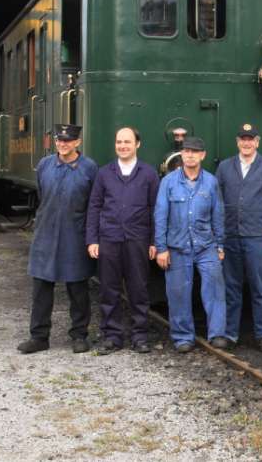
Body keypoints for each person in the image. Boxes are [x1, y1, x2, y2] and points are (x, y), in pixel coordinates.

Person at [18, 124, 99, 354]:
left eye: (68, 140)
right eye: (59, 140)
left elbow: (93, 204)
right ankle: (39, 337)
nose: (63, 144)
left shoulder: (89, 168)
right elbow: (43, 196)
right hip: (46, 232)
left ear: (77, 143)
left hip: (75, 233)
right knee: (41, 288)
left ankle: (79, 335)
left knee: (77, 287)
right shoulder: (44, 165)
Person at [85, 126, 160, 355]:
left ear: (137, 144)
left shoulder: (148, 174)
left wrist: (155, 241)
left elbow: (156, 209)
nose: (123, 146)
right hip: (109, 238)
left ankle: (140, 336)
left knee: (139, 290)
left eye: (127, 142)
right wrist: (92, 239)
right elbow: (94, 206)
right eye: (119, 142)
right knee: (109, 290)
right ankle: (112, 336)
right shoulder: (104, 173)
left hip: (138, 239)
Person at [215, 124, 262, 352]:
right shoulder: (225, 167)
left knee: (260, 287)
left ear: (257, 142)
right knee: (231, 287)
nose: (247, 143)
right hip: (230, 235)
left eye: (251, 139)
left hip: (257, 235)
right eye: (243, 139)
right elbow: (217, 202)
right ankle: (230, 334)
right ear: (237, 142)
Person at [153, 136, 227, 352]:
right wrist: (161, 248)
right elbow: (160, 216)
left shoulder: (211, 182)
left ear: (202, 155)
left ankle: (217, 334)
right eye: (187, 151)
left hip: (206, 246)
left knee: (215, 289)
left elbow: (218, 215)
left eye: (195, 151)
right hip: (177, 247)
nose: (190, 155)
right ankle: (183, 336)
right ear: (181, 155)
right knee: (178, 293)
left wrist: (220, 245)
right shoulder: (168, 182)